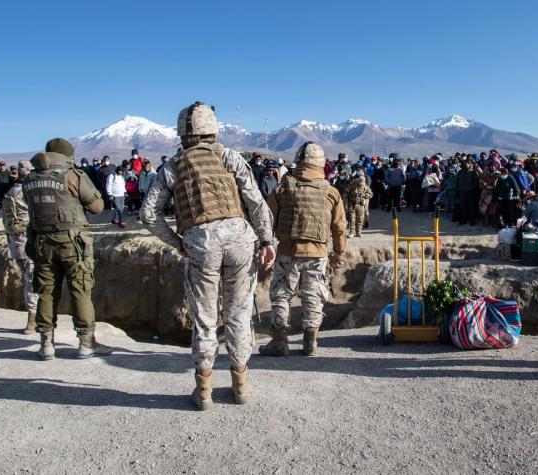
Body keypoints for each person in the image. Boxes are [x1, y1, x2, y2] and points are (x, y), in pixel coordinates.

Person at [140, 102, 275, 409]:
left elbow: (148, 214)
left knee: (205, 320)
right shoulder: (229, 157)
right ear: (213, 128)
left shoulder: (172, 166)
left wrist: (176, 242)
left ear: (182, 133)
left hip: (200, 244)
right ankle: (240, 387)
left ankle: (203, 392)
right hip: (240, 240)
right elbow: (256, 202)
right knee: (239, 315)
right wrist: (267, 240)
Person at [22, 138, 110, 360]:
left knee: (46, 292)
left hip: (42, 244)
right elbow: (97, 207)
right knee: (80, 290)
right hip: (73, 243)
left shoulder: (30, 179)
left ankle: (47, 345)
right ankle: (86, 344)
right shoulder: (72, 175)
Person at [260, 141, 347, 358]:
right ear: (320, 164)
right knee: (313, 297)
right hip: (317, 255)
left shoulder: (283, 187)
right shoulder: (331, 192)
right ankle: (310, 343)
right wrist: (338, 253)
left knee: (281, 296)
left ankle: (280, 342)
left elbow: (266, 220)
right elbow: (339, 227)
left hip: (288, 252)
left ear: (299, 161)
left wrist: (265, 245)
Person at [1, 160, 39, 333]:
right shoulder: (28, 192)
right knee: (31, 281)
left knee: (27, 278)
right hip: (27, 241)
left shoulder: (9, 194)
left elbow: (5, 221)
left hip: (15, 242)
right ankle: (32, 321)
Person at [344, 167, 373, 237]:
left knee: (360, 219)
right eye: (359, 184)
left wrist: (364, 195)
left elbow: (371, 194)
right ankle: (351, 233)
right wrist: (346, 204)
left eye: (362, 185)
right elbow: (345, 193)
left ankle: (358, 232)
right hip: (352, 204)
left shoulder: (365, 187)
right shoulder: (352, 184)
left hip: (361, 204)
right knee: (352, 219)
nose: (360, 185)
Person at [457, 159, 479, 225]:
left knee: (471, 207)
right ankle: (463, 220)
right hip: (462, 191)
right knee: (463, 207)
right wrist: (459, 188)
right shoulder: (460, 172)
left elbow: (475, 182)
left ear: (470, 164)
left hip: (470, 192)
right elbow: (457, 181)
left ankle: (472, 220)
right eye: (464, 163)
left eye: (467, 163)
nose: (465, 164)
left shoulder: (473, 172)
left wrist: (472, 188)